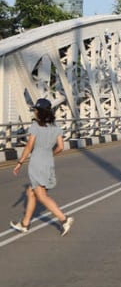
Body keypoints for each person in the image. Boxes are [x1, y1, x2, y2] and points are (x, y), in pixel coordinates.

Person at [9, 98, 74, 236]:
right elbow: (61, 147)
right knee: (30, 192)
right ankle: (25, 224)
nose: (34, 112)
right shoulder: (56, 128)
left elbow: (29, 146)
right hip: (48, 161)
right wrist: (50, 153)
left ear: (40, 112)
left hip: (37, 163)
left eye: (36, 110)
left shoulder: (35, 126)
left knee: (41, 195)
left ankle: (64, 219)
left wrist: (20, 162)